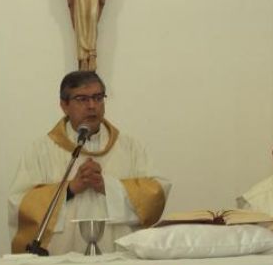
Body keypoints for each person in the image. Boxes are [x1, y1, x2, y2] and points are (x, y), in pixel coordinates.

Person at [9, 71, 170, 254]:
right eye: (82, 99)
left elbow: (156, 193)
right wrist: (70, 189)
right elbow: (19, 203)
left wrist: (107, 187)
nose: (92, 106)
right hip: (61, 258)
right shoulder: (41, 150)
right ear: (64, 105)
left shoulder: (130, 147)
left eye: (98, 97)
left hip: (119, 256)